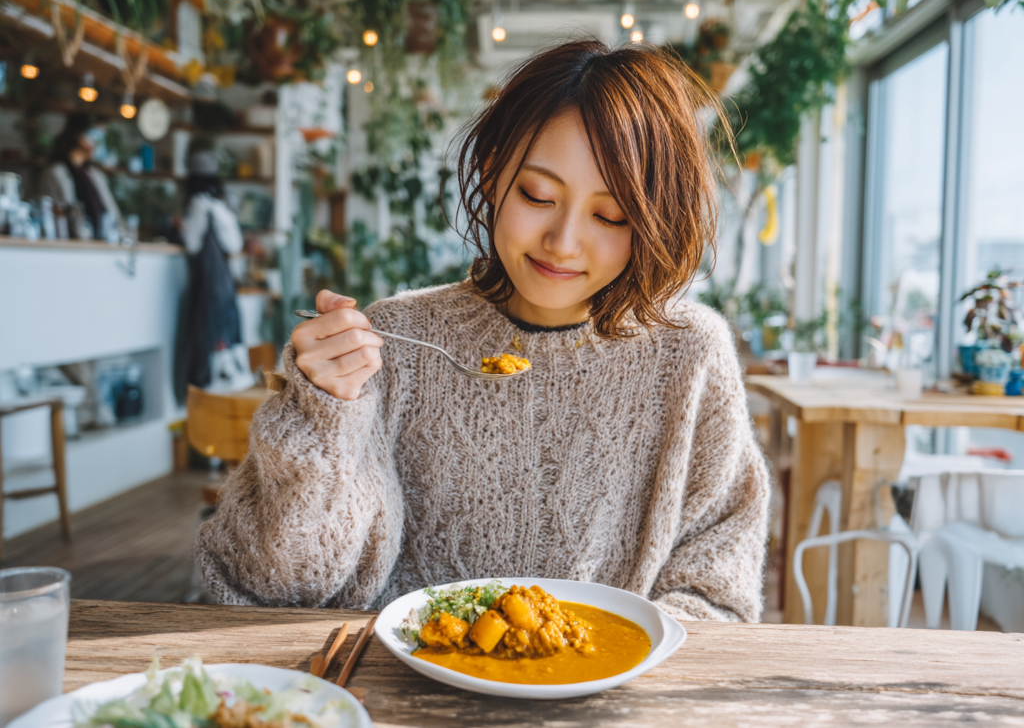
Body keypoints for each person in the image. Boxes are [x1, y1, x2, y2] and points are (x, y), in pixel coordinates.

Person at [197, 40, 770, 623]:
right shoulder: (396, 340)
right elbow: (270, 587)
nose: (563, 242)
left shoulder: (689, 352)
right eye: (537, 195)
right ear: (493, 171)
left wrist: (622, 664)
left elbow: (715, 589)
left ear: (654, 217)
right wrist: (324, 413)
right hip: (404, 691)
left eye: (610, 215)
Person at [176, 147, 253, 396]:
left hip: (206, 287)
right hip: (225, 286)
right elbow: (235, 245)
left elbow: (192, 244)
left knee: (206, 337)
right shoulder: (221, 208)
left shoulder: (198, 206)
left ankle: (208, 398)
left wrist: (179, 227)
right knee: (227, 335)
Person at [41, 113, 121, 239]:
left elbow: (112, 213)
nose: (100, 142)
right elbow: (54, 215)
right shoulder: (56, 173)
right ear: (80, 136)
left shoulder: (95, 175)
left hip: (101, 246)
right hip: (72, 248)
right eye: (97, 135)